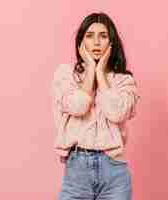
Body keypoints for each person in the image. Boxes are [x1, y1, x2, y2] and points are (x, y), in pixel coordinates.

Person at [50, 12, 141, 200]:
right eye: (90, 36)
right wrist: (91, 68)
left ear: (111, 43)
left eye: (103, 36)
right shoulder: (65, 75)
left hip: (114, 174)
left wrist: (100, 72)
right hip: (77, 174)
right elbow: (78, 106)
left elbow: (116, 113)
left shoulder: (124, 80)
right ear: (81, 43)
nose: (97, 42)